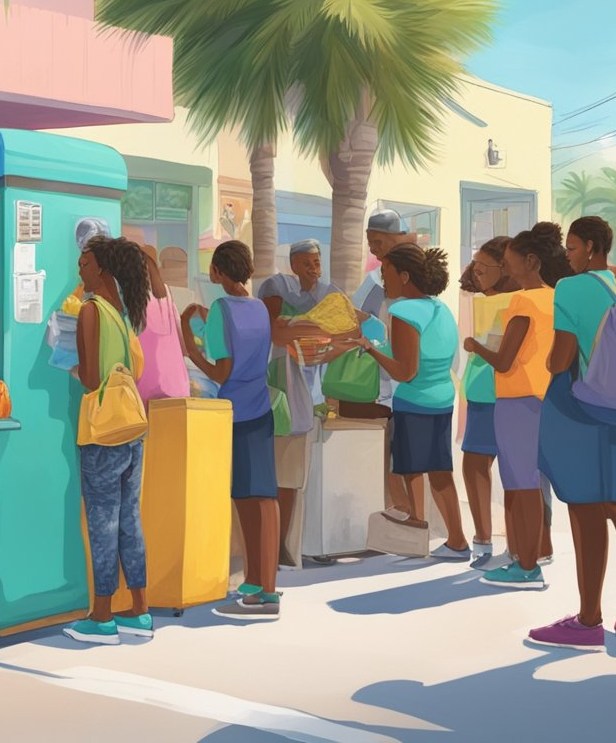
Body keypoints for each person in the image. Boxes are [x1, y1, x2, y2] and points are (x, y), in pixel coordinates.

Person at [530, 216, 616, 651]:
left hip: (579, 404)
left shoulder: (571, 288)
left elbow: (560, 358)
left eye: (571, 248)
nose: (566, 256)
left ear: (589, 247)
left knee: (585, 509)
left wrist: (548, 360)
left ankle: (589, 621)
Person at [348, 243, 469, 560]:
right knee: (441, 471)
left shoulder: (403, 311)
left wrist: (370, 349)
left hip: (414, 402)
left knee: (412, 469)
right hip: (442, 398)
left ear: (404, 275)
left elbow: (406, 370)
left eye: (385, 271)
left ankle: (416, 529)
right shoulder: (440, 309)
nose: (382, 278)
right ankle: (457, 540)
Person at [468, 223, 571, 590]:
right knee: (532, 481)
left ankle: (526, 565)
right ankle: (531, 556)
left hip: (516, 399)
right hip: (545, 397)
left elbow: (504, 360)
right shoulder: (556, 296)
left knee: (519, 484)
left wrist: (475, 346)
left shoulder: (523, 301)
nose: (508, 270)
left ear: (531, 261)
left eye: (511, 263)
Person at [182, 240, 281, 620]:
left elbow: (221, 371)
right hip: (261, 410)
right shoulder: (256, 307)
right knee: (257, 498)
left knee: (252, 501)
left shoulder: (223, 309)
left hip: (234, 413)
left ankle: (266, 594)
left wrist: (192, 349)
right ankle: (256, 582)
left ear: (219, 272)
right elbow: (248, 342)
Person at [65, 236, 152, 645]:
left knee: (102, 523)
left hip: (101, 432)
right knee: (130, 520)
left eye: (84, 262)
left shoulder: (89, 310)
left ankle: (101, 617)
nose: (79, 269)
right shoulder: (121, 311)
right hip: (132, 428)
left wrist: (68, 366)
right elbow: (131, 367)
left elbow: (91, 378)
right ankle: (139, 610)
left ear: (100, 267)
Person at [259, 239, 342, 566]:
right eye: (307, 263)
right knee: (277, 475)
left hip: (309, 397)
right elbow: (274, 333)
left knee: (293, 478)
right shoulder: (277, 285)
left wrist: (295, 327)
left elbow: (340, 334)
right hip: (277, 386)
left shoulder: (329, 292)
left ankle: (288, 546)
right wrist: (312, 328)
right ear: (293, 264)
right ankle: (275, 546)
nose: (313, 268)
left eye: (317, 262)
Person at [456, 236, 518, 569]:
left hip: (508, 391)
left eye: (484, 267)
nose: (476, 272)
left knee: (512, 471)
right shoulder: (482, 300)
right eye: (475, 266)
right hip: (481, 390)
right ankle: (483, 540)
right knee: (475, 464)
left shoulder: (517, 302)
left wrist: (475, 346)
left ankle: (519, 544)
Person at [136, 246, 189, 404]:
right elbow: (183, 346)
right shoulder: (166, 295)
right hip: (178, 388)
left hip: (145, 393)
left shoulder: (129, 302)